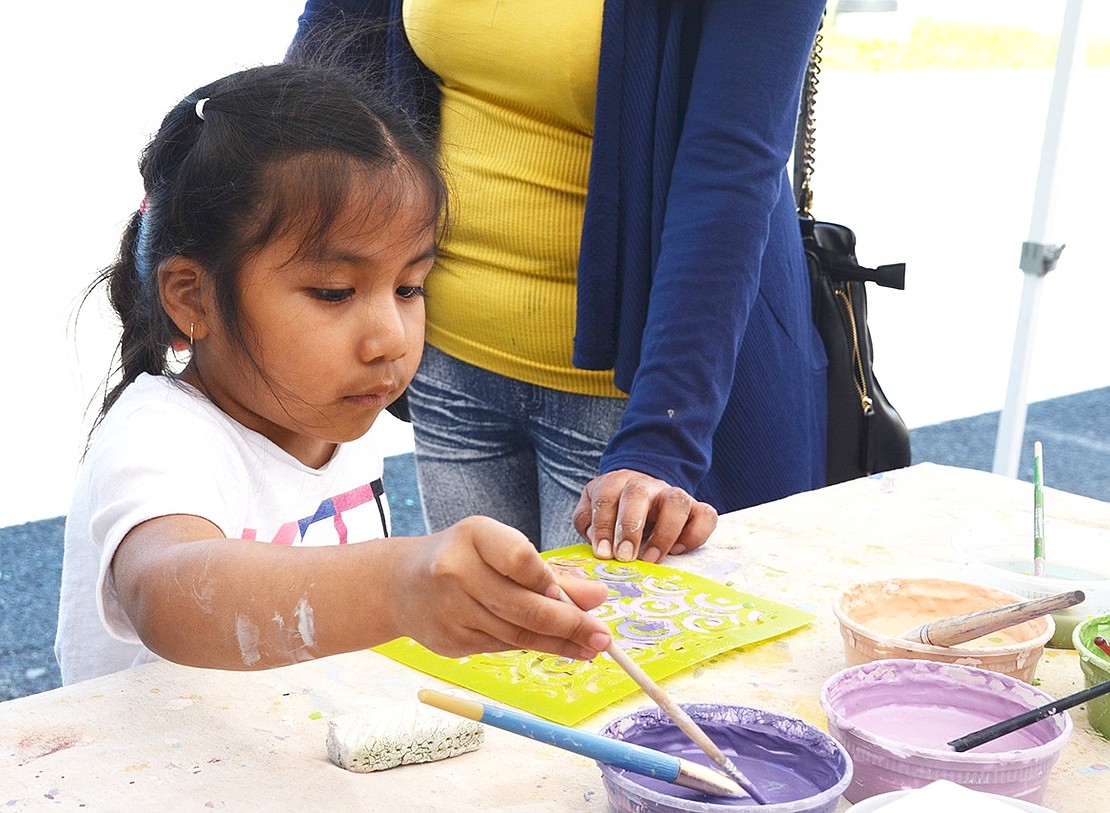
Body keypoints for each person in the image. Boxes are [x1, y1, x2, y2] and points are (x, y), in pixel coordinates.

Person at [54, 62, 613, 686]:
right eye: (333, 292)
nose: (390, 340)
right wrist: (400, 585)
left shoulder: (327, 412)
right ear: (193, 297)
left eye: (409, 287)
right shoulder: (159, 438)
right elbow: (170, 594)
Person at [288, 1, 828, 560]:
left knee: (609, 644)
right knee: (474, 640)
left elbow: (729, 173)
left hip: (632, 392)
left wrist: (661, 440)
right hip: (447, 360)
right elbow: (318, 85)